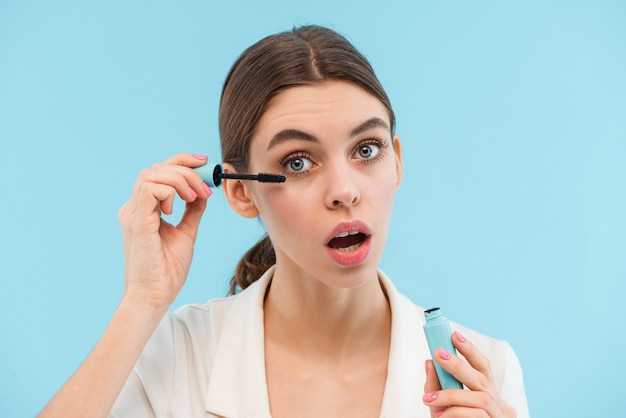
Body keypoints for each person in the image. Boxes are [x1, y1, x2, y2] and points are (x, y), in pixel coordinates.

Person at [39, 25, 529, 418]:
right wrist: (140, 305)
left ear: (397, 161)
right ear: (240, 191)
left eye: (366, 149)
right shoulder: (171, 359)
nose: (345, 191)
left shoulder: (486, 373)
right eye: (298, 161)